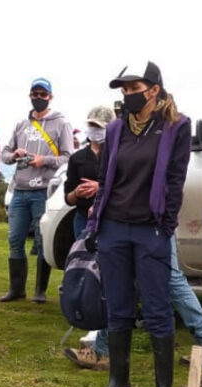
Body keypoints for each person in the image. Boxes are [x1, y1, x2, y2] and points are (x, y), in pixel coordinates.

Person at [84, 62, 191, 387]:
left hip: (151, 228)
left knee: (158, 306)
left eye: (135, 88)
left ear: (154, 89)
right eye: (124, 90)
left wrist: (167, 225)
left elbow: (175, 181)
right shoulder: (115, 129)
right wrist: (95, 224)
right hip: (114, 226)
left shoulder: (176, 126)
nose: (128, 95)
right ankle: (119, 379)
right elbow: (105, 179)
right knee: (117, 305)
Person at [0, 78, 74, 304]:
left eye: (43, 94)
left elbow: (68, 157)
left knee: (42, 241)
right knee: (14, 239)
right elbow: (4, 153)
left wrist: (43, 160)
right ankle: (16, 289)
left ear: (50, 97)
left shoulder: (61, 124)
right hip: (20, 189)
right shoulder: (22, 124)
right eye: (35, 94)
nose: (38, 98)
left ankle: (40, 291)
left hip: (44, 191)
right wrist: (14, 156)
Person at [61, 105, 113, 370]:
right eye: (92, 125)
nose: (95, 131)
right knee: (83, 271)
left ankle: (100, 342)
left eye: (100, 127)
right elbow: (67, 195)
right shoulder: (78, 158)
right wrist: (78, 194)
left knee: (108, 279)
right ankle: (84, 317)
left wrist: (99, 189)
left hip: (110, 219)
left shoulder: (117, 153)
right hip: (83, 218)